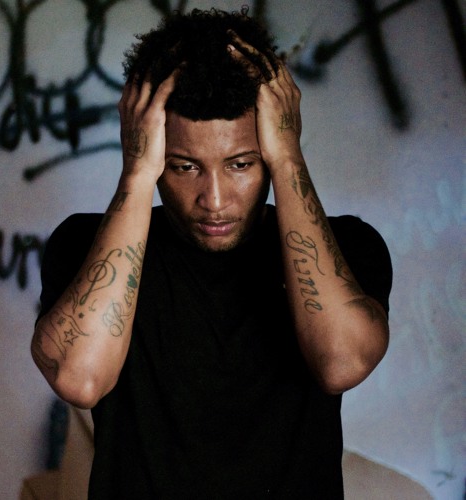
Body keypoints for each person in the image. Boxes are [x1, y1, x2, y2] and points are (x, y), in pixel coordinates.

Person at [31, 7, 392, 499]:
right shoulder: (84, 245)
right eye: (184, 167)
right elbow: (80, 379)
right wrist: (136, 175)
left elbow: (341, 364)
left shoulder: (346, 246)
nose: (214, 199)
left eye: (240, 164)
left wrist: (288, 159)